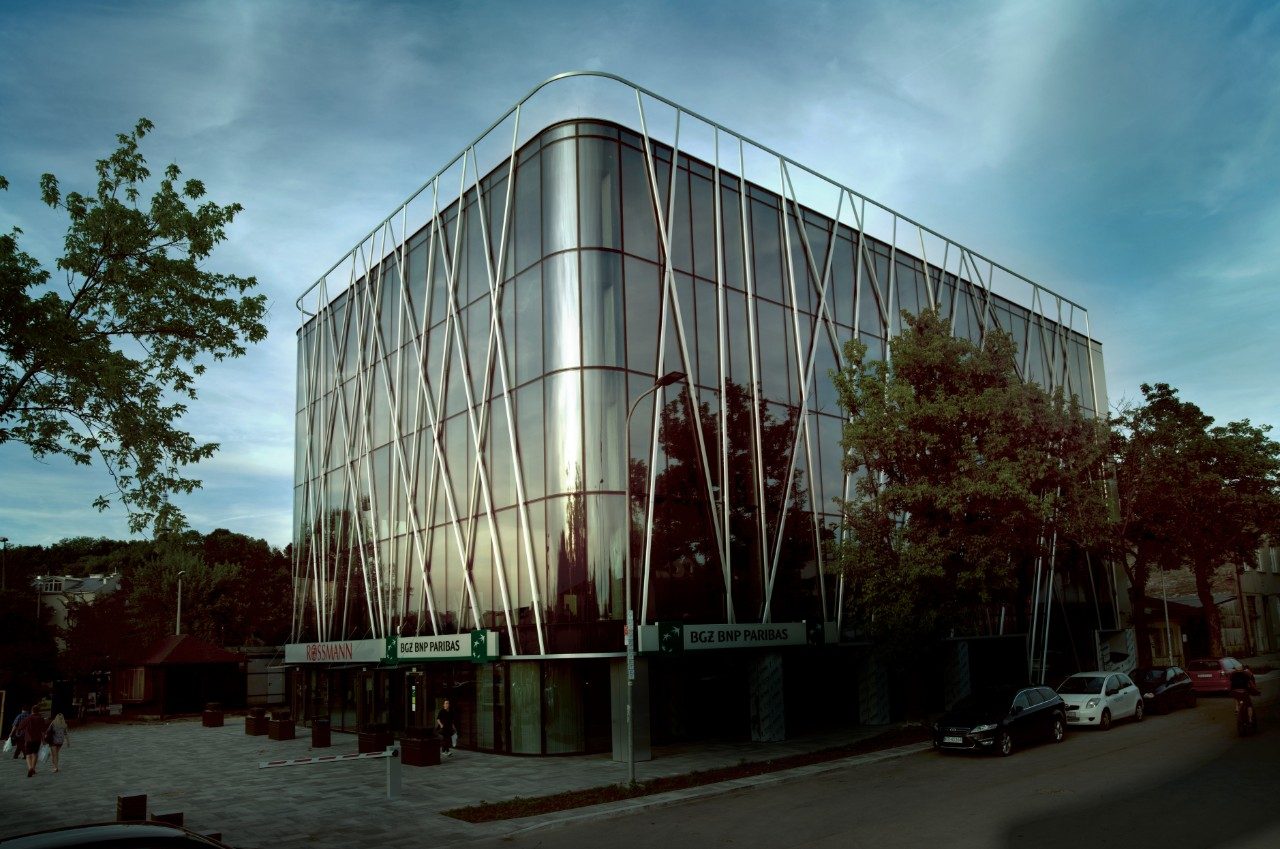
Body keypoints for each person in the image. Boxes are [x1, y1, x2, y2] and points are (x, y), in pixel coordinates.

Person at [17, 707, 48, 778]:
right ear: (38, 711)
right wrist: (44, 740)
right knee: (35, 754)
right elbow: (43, 730)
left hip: (28, 739)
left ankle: (30, 768)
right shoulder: (41, 719)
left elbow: (20, 727)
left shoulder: (28, 718)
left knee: (28, 755)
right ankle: (33, 768)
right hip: (37, 739)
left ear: (32, 711)